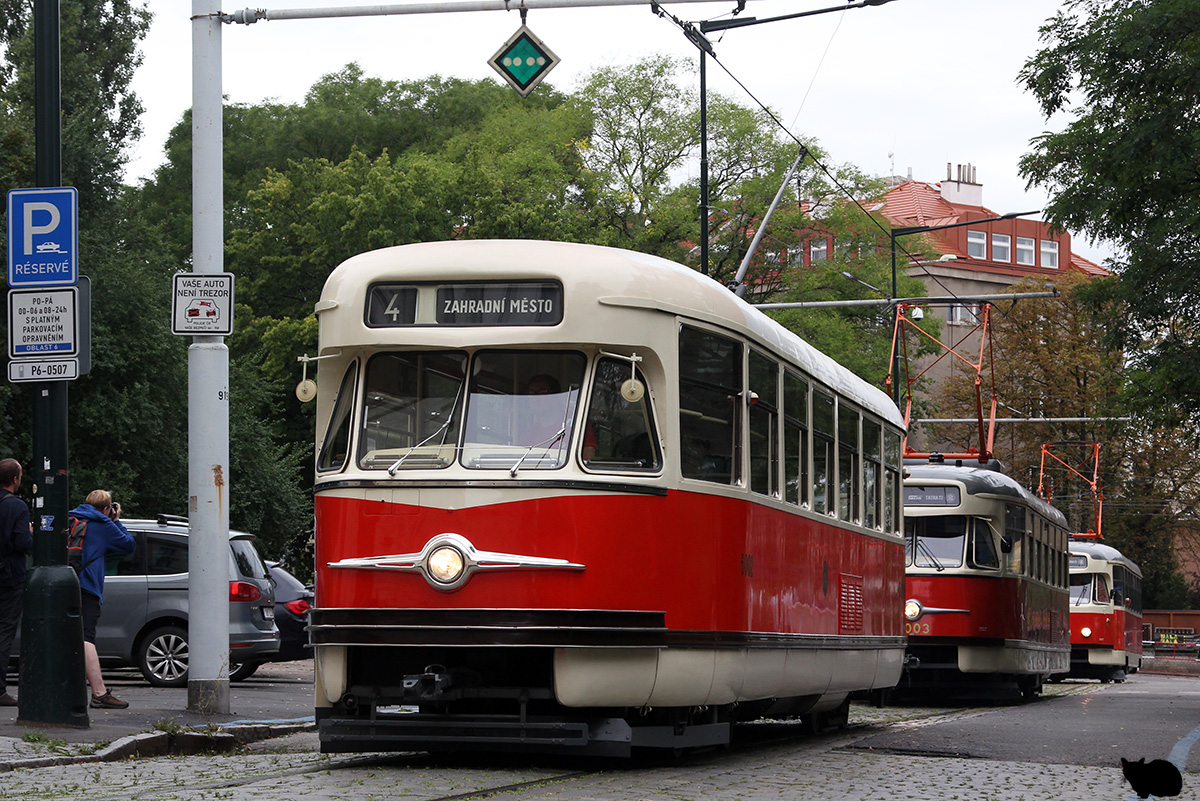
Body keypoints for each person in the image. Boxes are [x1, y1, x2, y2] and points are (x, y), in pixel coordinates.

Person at [69, 490, 135, 709]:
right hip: (88, 587)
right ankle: (99, 692)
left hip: (65, 584)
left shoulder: (71, 519)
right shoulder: (103, 524)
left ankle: (66, 688)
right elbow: (128, 545)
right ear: (107, 508)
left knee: (68, 636)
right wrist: (116, 520)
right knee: (87, 636)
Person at [0, 459, 31, 707]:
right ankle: (0, 689)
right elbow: (22, 544)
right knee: (4, 632)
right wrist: (31, 534)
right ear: (15, 479)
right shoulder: (16, 507)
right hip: (8, 577)